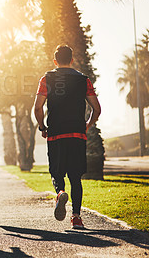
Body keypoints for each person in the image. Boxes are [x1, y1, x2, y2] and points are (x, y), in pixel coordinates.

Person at [33, 45, 101, 229]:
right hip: (77, 134)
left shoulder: (46, 78)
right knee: (75, 176)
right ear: (72, 60)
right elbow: (97, 109)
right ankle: (76, 217)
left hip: (56, 133)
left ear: (55, 61)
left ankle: (60, 192)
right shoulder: (83, 80)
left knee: (56, 172)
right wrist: (87, 125)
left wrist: (42, 126)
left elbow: (38, 107)